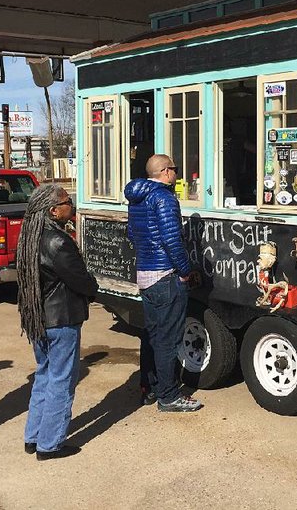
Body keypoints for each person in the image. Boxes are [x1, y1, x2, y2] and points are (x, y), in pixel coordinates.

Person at [16, 184, 98, 460]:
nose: (71, 206)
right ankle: (49, 444)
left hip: (38, 318)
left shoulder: (29, 236)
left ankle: (34, 436)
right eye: (67, 203)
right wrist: (94, 286)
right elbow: (81, 281)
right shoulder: (57, 242)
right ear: (53, 210)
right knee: (62, 380)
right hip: (60, 319)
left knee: (44, 375)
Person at [125, 154, 202, 412]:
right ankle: (169, 396)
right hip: (165, 275)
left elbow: (131, 234)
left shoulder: (137, 198)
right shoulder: (164, 197)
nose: (177, 174)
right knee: (168, 340)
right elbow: (171, 240)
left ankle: (149, 388)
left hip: (145, 273)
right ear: (166, 171)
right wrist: (184, 271)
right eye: (175, 169)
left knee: (152, 335)